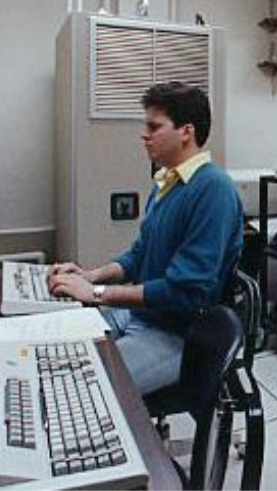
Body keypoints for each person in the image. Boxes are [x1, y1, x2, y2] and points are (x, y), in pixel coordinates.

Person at [48, 82, 243, 395]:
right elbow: (140, 254)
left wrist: (97, 293)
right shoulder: (166, 182)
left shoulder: (212, 190)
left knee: (83, 390)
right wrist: (92, 276)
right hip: (144, 315)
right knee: (61, 343)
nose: (144, 134)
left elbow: (183, 291)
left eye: (154, 126)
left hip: (179, 333)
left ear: (186, 132)